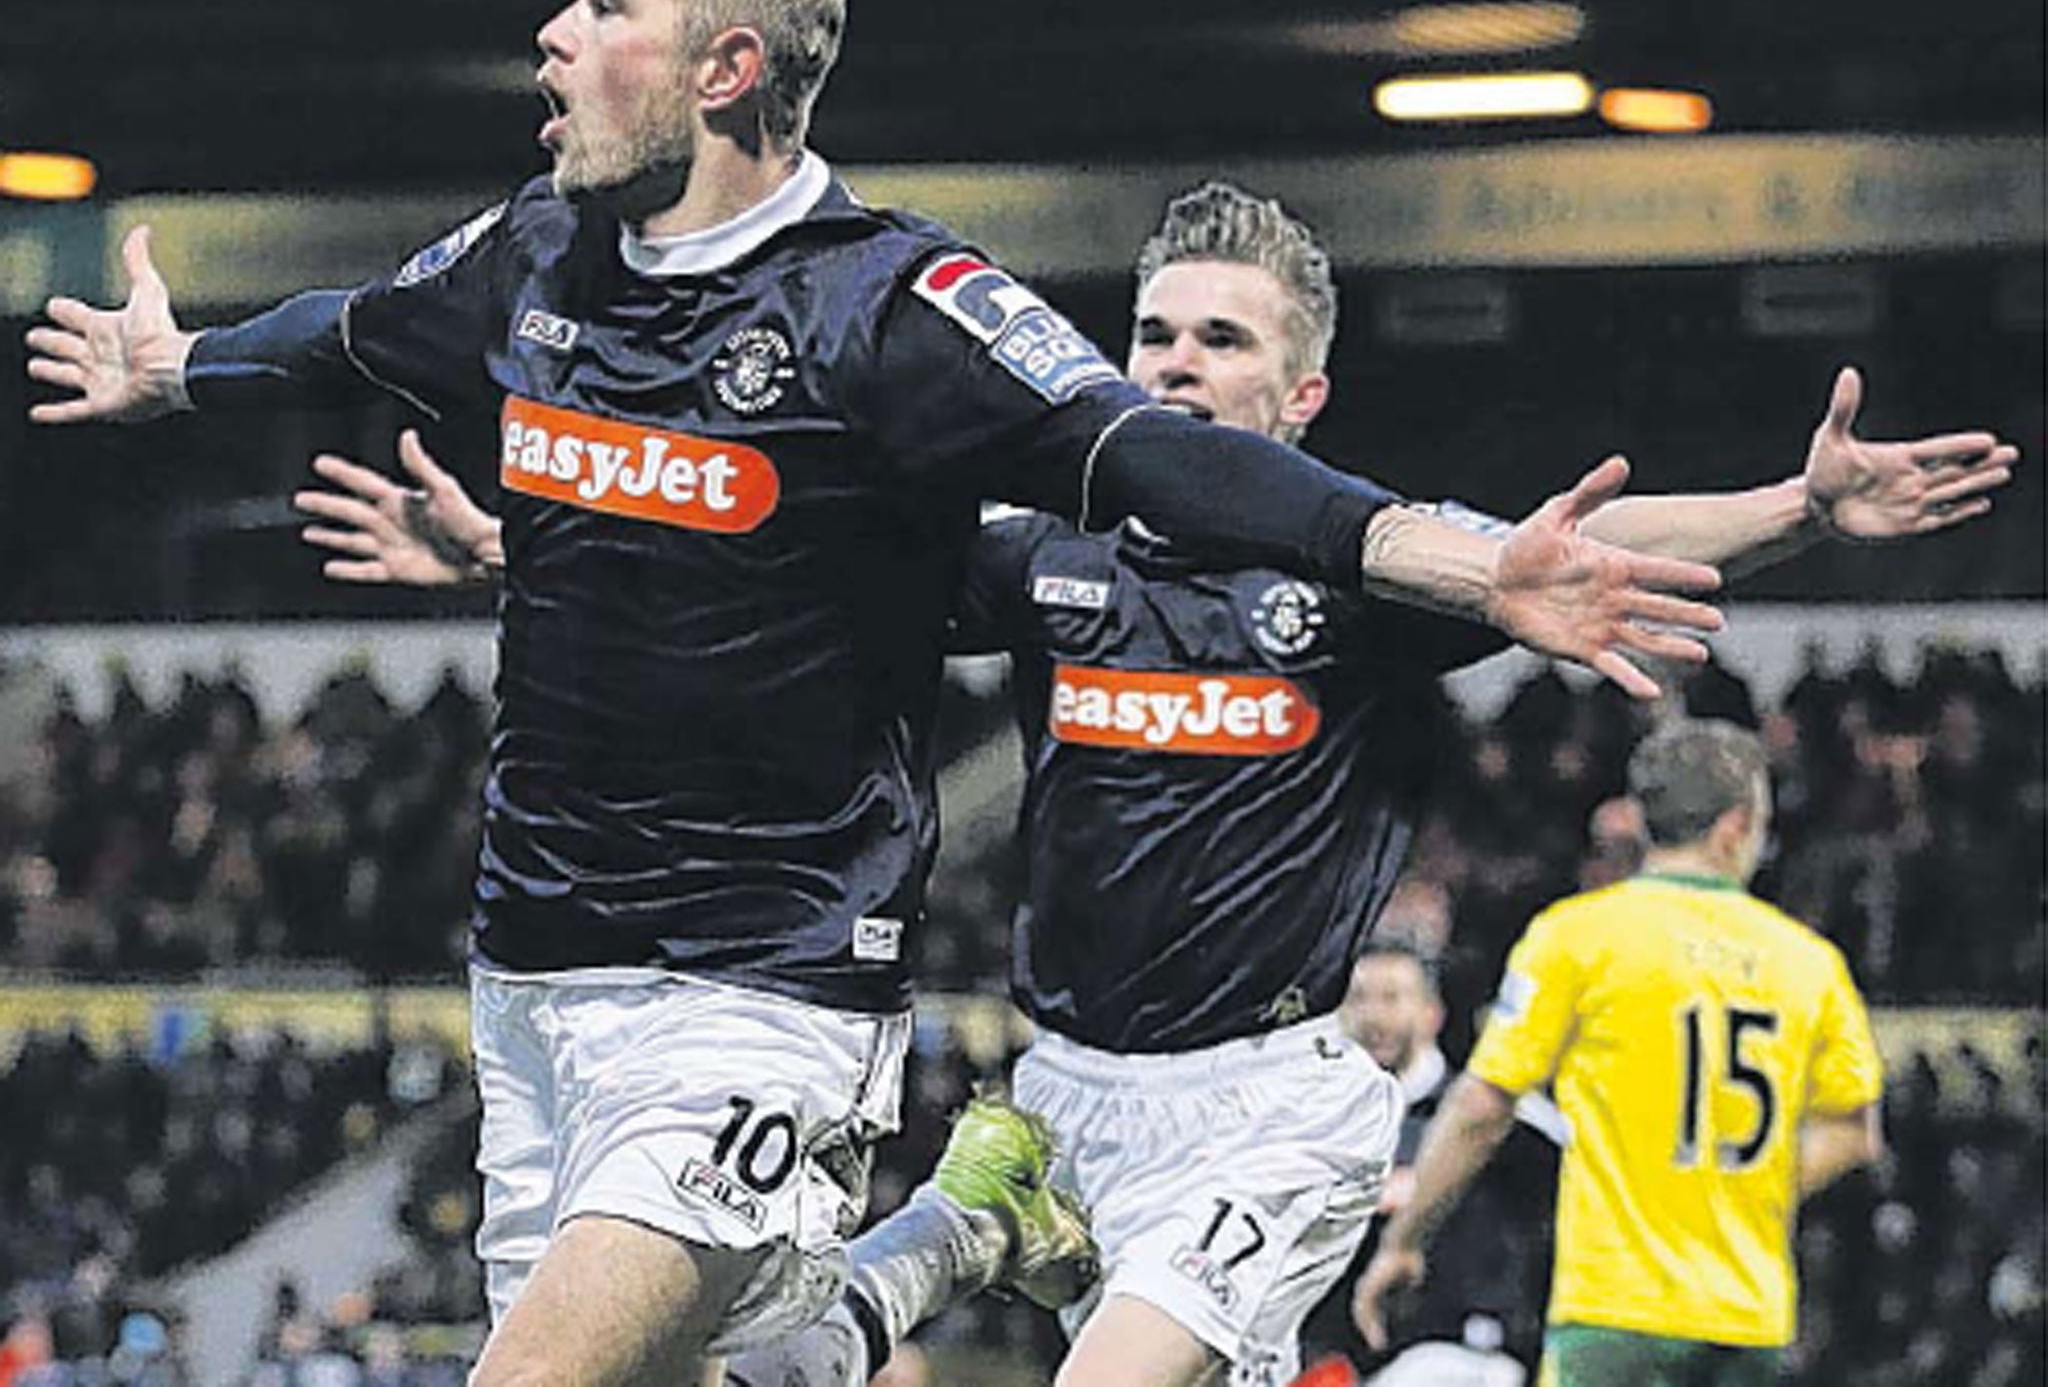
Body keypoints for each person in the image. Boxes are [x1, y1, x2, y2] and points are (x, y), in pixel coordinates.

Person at [20, 0, 1730, 1386]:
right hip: (533, 979)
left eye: (600, 5)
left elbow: (1150, 456)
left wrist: (1429, 553)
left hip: (755, 1003)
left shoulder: (896, 308)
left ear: (723, 70)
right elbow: (356, 331)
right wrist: (184, 370)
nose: (547, 37)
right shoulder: (537, 254)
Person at [295, 179, 2012, 1387]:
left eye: (1217, 339)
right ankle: (984, 1215)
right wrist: (518, 555)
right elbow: (791, 563)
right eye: (1153, 331)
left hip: (1263, 1109)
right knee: (768, 1352)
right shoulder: (1046, 552)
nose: (1174, 361)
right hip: (1062, 1084)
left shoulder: (1355, 576)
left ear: (1301, 389)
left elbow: (1578, 541)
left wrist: (1791, 511)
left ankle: (962, 1238)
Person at [1354, 719, 1888, 1387]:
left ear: (1643, 818)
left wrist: (1404, 1242)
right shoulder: (1809, 962)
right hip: (1747, 1312)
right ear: (1735, 826)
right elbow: (1854, 1132)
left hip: (1615, 1307)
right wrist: (1734, 1190)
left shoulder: (1577, 938)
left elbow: (1483, 1105)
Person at [1294, 941, 1563, 1381]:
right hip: (1335, 1358)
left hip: (1463, 1351)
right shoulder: (1313, 1127)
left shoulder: (1497, 1119)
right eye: (1359, 998)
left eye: (1392, 998)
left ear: (1431, 1013)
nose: (1375, 1017)